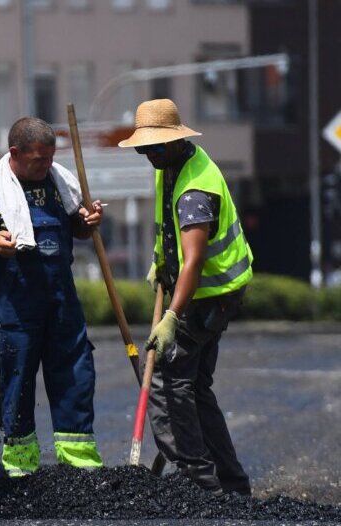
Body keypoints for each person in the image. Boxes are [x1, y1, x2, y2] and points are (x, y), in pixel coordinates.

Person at [0, 117, 104, 477]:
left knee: (75, 377)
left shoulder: (61, 183)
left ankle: (80, 464)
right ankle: (20, 468)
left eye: (50, 158)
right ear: (14, 153)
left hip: (62, 302)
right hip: (15, 307)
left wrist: (88, 223)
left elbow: (76, 229)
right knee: (16, 382)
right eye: (38, 160)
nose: (47, 166)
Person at [118, 98, 253, 495]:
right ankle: (229, 482)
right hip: (207, 291)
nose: (149, 155)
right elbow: (170, 236)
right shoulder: (171, 165)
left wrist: (172, 318)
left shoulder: (195, 188)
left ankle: (197, 482)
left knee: (168, 379)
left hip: (209, 295)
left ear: (176, 141)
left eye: (156, 147)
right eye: (144, 149)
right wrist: (160, 262)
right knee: (194, 385)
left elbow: (193, 263)